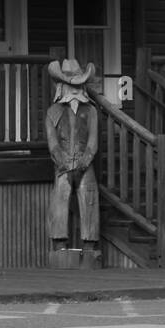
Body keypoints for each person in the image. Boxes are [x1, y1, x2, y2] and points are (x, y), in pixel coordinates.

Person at [45, 58, 100, 250]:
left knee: (90, 198)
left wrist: (85, 161)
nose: (74, 89)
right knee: (60, 197)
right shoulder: (53, 111)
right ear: (61, 86)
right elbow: (53, 144)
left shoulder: (91, 111)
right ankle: (59, 245)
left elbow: (93, 142)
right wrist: (63, 161)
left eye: (78, 84)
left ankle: (90, 245)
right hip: (63, 165)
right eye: (70, 84)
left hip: (85, 164)